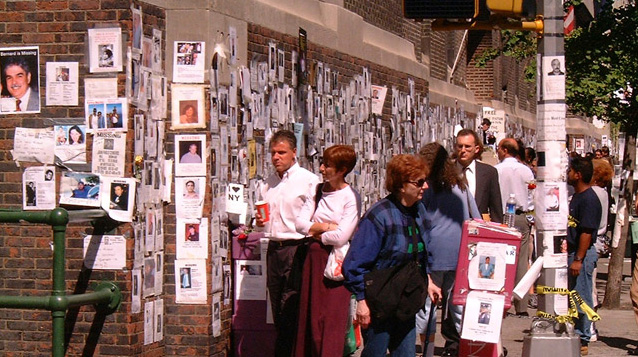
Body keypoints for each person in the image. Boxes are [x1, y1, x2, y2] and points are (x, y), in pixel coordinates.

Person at [343, 154, 432, 357]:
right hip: (380, 303)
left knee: (407, 354)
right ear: (401, 186)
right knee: (375, 353)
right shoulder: (379, 216)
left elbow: (420, 253)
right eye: (419, 182)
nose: (425, 186)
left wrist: (429, 280)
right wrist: (362, 301)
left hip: (406, 301)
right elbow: (353, 265)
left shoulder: (419, 211)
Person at [256, 130, 320, 357]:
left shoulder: (309, 181)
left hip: (298, 248)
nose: (276, 157)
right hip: (274, 248)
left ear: (294, 153)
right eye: (273, 152)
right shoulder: (267, 183)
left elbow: (315, 218)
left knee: (292, 308)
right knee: (276, 308)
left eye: (281, 152)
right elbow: (263, 221)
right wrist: (258, 221)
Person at [293, 145, 361, 357]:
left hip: (335, 264)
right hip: (313, 261)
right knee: (311, 320)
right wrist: (325, 227)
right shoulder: (316, 192)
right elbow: (299, 224)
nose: (321, 168)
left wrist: (316, 232)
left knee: (331, 322)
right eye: (322, 163)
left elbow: (341, 236)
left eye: (327, 165)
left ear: (342, 170)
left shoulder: (350, 197)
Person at [415, 142, 480, 357]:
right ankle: (472, 349)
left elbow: (420, 220)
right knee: (459, 306)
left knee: (427, 307)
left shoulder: (426, 189)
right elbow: (476, 218)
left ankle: (428, 350)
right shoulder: (460, 187)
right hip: (460, 253)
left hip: (433, 254)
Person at [495, 138, 535, 316]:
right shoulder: (526, 171)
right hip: (520, 216)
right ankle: (522, 305)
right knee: (521, 260)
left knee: (501, 258)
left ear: (504, 150)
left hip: (501, 216)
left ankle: (501, 301)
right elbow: (532, 195)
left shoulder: (496, 170)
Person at [567, 157, 602, 355]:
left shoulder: (589, 199)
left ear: (578, 174)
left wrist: (578, 259)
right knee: (573, 295)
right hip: (573, 253)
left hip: (582, 254)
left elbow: (587, 232)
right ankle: (576, 333)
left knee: (581, 296)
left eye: (571, 170)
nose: (568, 174)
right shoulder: (577, 196)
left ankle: (583, 337)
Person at [455, 129, 503, 223]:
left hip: (478, 230)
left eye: (467, 146)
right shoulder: (446, 171)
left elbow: (495, 208)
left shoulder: (489, 172)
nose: (463, 150)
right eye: (460, 146)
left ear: (476, 149)